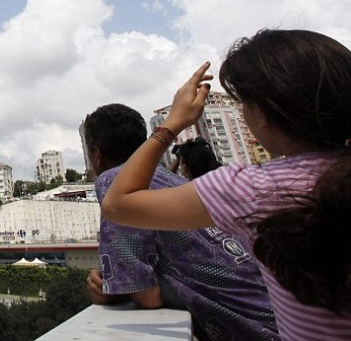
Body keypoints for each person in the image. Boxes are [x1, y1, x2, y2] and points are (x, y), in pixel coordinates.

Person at [102, 29, 351, 340]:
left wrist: (172, 125)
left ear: (261, 113)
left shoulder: (255, 189)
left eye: (242, 103)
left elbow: (118, 203)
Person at [83, 103, 278, 340]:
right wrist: (119, 283)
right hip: (279, 316)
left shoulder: (113, 181)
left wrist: (121, 287)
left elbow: (147, 296)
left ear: (96, 153)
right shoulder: (170, 179)